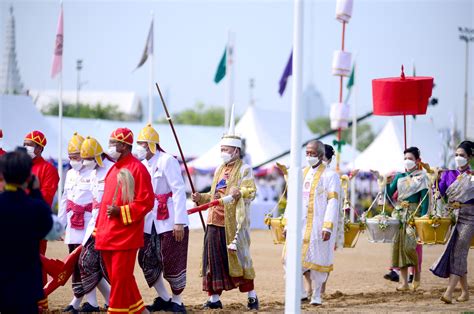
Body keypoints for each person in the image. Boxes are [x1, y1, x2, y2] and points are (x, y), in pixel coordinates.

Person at [192, 107, 259, 310]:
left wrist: (241, 192)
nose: (223, 153)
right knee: (212, 261)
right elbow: (215, 196)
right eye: (222, 149)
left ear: (236, 151)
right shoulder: (220, 169)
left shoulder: (245, 169)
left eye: (227, 150)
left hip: (233, 225)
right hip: (214, 220)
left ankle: (252, 296)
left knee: (239, 260)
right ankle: (214, 300)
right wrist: (200, 197)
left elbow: (251, 191)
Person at [94, 128, 154, 314]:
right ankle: (139, 311)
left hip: (125, 235)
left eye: (114, 143)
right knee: (120, 278)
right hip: (107, 233)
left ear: (125, 145)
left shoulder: (138, 168)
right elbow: (104, 203)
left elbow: (146, 201)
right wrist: (98, 230)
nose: (110, 146)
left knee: (120, 279)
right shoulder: (114, 168)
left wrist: (121, 211)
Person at [135, 124, 189, 313]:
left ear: (151, 144)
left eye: (141, 143)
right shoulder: (142, 165)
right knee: (146, 259)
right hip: (150, 220)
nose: (138, 147)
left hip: (170, 219)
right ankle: (165, 297)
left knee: (172, 260)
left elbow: (179, 189)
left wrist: (180, 221)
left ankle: (177, 300)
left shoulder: (167, 160)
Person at [284, 140, 340, 306]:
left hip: (318, 225)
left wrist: (327, 225)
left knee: (318, 260)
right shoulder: (301, 173)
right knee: (290, 259)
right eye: (307, 153)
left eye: (312, 153)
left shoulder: (331, 176)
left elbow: (333, 202)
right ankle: (300, 293)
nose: (309, 156)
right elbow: (292, 200)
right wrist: (287, 223)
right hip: (299, 225)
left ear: (321, 155)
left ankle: (316, 295)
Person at [0, 151, 53, 313]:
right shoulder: (35, 208)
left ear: (2, 175)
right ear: (28, 178)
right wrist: (36, 192)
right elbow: (49, 227)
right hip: (27, 284)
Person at [431, 140, 474, 303]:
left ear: (469, 157)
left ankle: (449, 292)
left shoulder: (472, 177)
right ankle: (465, 292)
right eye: (456, 155)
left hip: (470, 217)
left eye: (462, 155)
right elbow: (439, 194)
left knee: (460, 251)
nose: (458, 158)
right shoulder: (448, 174)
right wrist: (435, 180)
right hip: (453, 217)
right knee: (457, 252)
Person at [57, 132, 94, 312]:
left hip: (88, 225)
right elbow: (64, 199)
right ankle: (98, 299)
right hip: (72, 226)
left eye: (76, 157)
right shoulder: (70, 173)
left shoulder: (94, 172)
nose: (73, 160)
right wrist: (59, 225)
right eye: (70, 157)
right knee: (77, 264)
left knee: (86, 264)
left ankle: (80, 301)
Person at [384, 147, 429, 292]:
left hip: (413, 214)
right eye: (405, 158)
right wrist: (386, 182)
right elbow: (388, 195)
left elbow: (425, 199)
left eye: (410, 158)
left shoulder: (422, 177)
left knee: (410, 247)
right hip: (399, 214)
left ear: (417, 161)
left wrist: (423, 217)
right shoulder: (399, 177)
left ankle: (416, 272)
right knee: (399, 248)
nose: (407, 161)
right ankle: (403, 283)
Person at [24, 130, 60, 310]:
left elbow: (46, 197)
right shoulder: (22, 167)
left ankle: (39, 302)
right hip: (16, 221)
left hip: (35, 223)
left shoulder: (49, 169)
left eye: (29, 145)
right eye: (25, 144)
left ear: (39, 148)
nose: (26, 148)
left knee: (37, 262)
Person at [78, 137, 113, 311]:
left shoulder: (112, 170)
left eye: (89, 159)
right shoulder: (92, 173)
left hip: (110, 225)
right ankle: (95, 302)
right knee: (86, 262)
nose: (85, 163)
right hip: (94, 225)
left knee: (110, 268)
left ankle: (120, 299)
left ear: (98, 157)